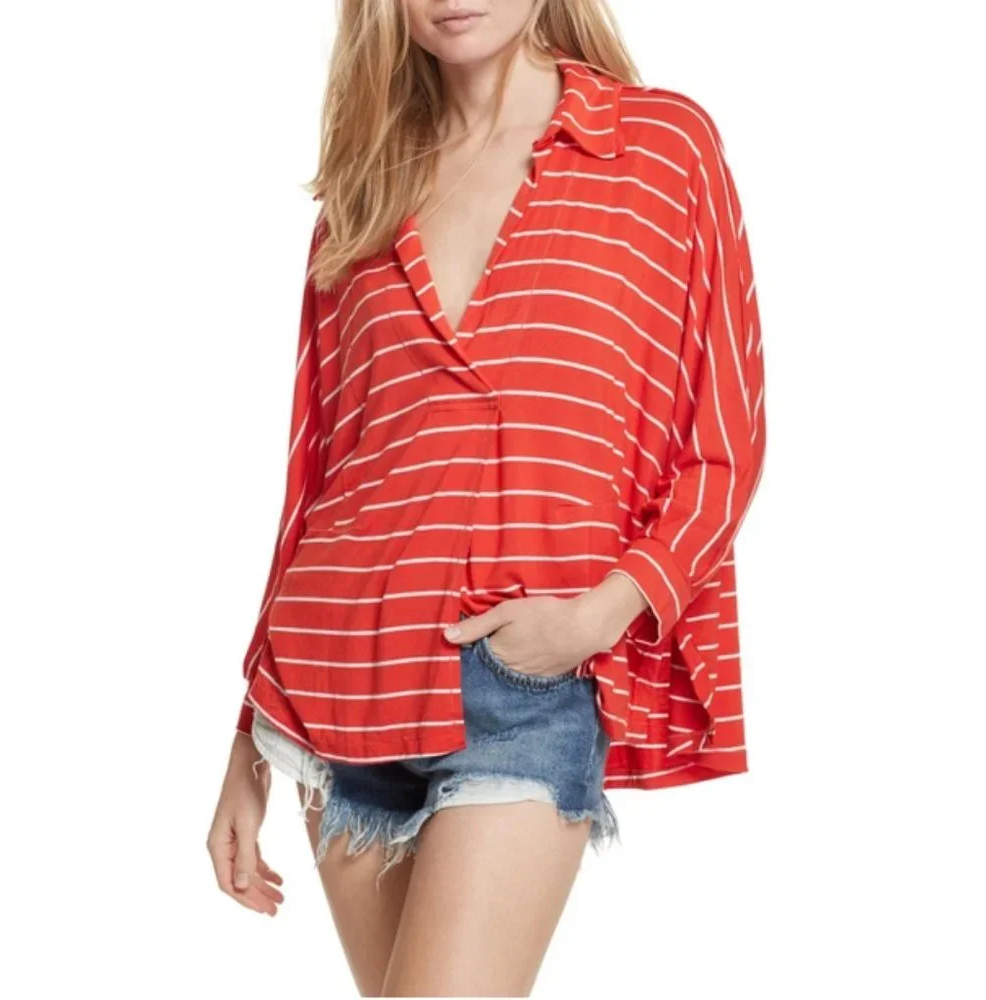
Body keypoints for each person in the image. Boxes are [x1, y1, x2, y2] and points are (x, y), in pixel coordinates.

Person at [207, 0, 767, 995]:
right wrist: (246, 742)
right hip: (338, 682)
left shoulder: (659, 147)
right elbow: (319, 477)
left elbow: (724, 441)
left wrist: (599, 615)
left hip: (529, 687)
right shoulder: (365, 187)